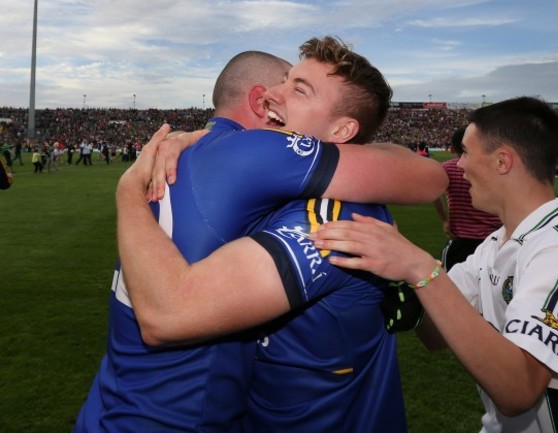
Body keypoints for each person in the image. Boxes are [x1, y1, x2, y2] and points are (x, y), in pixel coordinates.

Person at [75, 40, 446, 433]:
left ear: (342, 129)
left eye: (298, 89)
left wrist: (130, 190)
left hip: (115, 406)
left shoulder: (330, 209)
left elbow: (429, 179)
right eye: (283, 81)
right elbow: (427, 176)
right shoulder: (267, 165)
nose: (274, 94)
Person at [311, 96, 558, 433]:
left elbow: (518, 389)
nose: (458, 165)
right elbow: (436, 334)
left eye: (465, 151)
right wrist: (397, 284)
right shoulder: (497, 244)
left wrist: (421, 270)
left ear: (502, 161)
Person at [433, 127, 501, 270]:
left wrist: (445, 220)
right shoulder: (496, 168)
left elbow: (432, 193)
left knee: (452, 287)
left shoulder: (447, 168)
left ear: (453, 147)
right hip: (494, 240)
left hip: (461, 239)